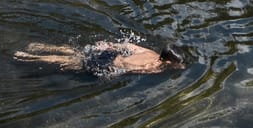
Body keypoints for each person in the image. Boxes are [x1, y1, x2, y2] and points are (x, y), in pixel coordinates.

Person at [13, 41, 184, 77]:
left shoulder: (152, 53)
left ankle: (40, 46)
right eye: (177, 63)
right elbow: (129, 69)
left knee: (76, 51)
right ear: (168, 61)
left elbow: (130, 46)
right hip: (107, 63)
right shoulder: (154, 67)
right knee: (72, 61)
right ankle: (30, 57)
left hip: (109, 54)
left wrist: (110, 45)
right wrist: (111, 74)